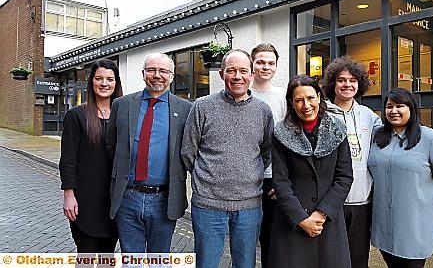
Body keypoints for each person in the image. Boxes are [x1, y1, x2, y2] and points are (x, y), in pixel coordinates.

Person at [181, 49, 274, 268]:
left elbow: (267, 152)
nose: (237, 76)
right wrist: (209, 179)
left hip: (249, 205)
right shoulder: (202, 107)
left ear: (251, 75)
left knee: (245, 263)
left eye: (243, 71)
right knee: (206, 263)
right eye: (231, 71)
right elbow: (188, 152)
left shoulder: (263, 111)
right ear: (222, 74)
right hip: (208, 204)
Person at [106, 53, 192, 253]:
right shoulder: (122, 104)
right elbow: (111, 145)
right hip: (128, 197)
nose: (157, 75)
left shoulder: (186, 109)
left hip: (164, 199)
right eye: (151, 70)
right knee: (131, 259)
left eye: (163, 71)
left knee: (159, 260)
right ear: (143, 73)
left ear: (171, 76)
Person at [268, 75, 353, 268]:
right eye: (299, 100)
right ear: (291, 103)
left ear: (319, 97)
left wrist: (321, 214)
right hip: (292, 223)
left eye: (310, 98)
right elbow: (281, 181)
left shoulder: (337, 129)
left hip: (327, 222)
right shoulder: (281, 133)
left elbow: (344, 177)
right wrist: (301, 219)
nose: (306, 105)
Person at [367, 88, 433, 268]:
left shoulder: (430, 138)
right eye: (389, 107)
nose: (394, 111)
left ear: (411, 109)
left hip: (414, 219)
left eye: (400, 106)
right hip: (383, 218)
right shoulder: (376, 136)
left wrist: (422, 192)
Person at [322, 56, 382, 268]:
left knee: (358, 260)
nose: (347, 84)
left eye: (352, 80)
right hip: (330, 203)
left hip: (361, 201)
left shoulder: (369, 116)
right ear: (333, 83)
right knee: (331, 260)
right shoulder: (321, 114)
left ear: (360, 84)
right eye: (341, 80)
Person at [59, 59, 122, 253]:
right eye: (99, 78)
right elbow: (67, 159)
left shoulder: (123, 115)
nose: (104, 84)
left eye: (110, 79)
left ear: (116, 83)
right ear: (91, 82)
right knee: (85, 254)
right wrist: (69, 195)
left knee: (107, 254)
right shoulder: (76, 116)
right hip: (85, 199)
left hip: (114, 200)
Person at [249, 43, 286, 268]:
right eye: (261, 62)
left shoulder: (283, 96)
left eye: (271, 63)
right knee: (244, 239)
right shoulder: (243, 92)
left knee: (271, 239)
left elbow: (290, 140)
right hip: (245, 179)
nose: (265, 67)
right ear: (252, 64)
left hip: (274, 178)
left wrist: (284, 179)